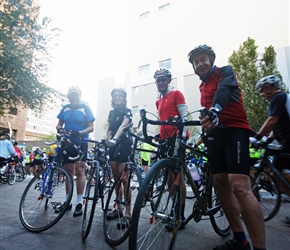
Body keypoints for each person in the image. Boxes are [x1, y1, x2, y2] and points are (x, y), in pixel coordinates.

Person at [187, 44, 266, 250]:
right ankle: (241, 240)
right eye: (196, 62)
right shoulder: (202, 87)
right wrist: (205, 121)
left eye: (203, 59)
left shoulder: (225, 72)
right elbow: (208, 113)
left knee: (239, 186)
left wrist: (214, 110)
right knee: (220, 183)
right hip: (215, 136)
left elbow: (222, 93)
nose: (200, 64)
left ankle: (260, 247)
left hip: (234, 131)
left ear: (211, 59)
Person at [154, 68, 189, 231]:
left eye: (164, 79)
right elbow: (162, 121)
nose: (161, 82)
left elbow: (184, 116)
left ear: (169, 80)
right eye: (158, 80)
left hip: (177, 138)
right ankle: (174, 208)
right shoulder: (158, 101)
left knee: (178, 176)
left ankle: (179, 215)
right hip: (165, 140)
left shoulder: (176, 94)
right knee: (168, 176)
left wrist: (182, 137)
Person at [253, 74, 290, 223]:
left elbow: (272, 120)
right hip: (284, 141)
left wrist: (257, 137)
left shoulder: (278, 97)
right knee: (277, 172)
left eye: (262, 91)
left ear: (269, 88)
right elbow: (276, 124)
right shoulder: (281, 98)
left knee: (277, 171)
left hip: (288, 141)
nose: (262, 95)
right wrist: (268, 139)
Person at [56, 86, 95, 217]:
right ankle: (67, 201)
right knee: (68, 170)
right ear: (69, 96)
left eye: (76, 95)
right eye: (71, 95)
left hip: (81, 142)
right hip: (67, 142)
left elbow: (91, 127)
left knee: (80, 170)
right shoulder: (65, 108)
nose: (74, 97)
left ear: (80, 96)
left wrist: (80, 133)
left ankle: (79, 202)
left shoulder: (85, 108)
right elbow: (59, 124)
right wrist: (60, 128)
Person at [105, 88, 133, 228]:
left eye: (120, 96)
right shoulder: (111, 113)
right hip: (113, 146)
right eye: (115, 95)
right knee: (116, 178)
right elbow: (110, 128)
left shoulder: (127, 111)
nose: (117, 97)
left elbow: (123, 125)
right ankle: (119, 208)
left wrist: (115, 138)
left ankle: (128, 213)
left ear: (123, 98)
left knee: (125, 178)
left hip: (124, 144)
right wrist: (106, 140)